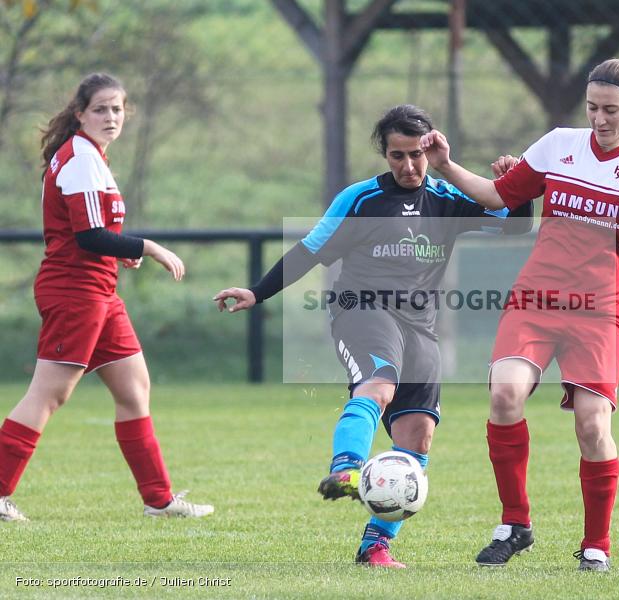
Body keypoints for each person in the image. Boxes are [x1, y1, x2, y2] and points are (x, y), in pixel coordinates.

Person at [214, 104, 531, 568]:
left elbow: (517, 225)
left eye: (416, 155)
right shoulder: (360, 200)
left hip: (420, 326)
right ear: (384, 154)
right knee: (379, 384)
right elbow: (309, 251)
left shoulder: (447, 199)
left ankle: (375, 547)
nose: (407, 166)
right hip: (361, 311)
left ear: (432, 149)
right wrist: (257, 292)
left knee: (418, 436)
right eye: (397, 155)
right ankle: (345, 469)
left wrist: (517, 186)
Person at [421, 58, 619, 572]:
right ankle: (515, 523)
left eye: (611, 109)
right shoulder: (559, 145)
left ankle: (596, 547)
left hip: (600, 309)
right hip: (537, 298)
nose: (600, 118)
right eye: (592, 107)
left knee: (591, 425)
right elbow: (498, 195)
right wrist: (447, 166)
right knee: (504, 393)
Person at [0, 73, 213, 522]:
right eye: (101, 109)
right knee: (48, 395)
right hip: (74, 292)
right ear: (80, 113)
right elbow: (90, 235)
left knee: (134, 390)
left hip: (98, 291)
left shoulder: (90, 156)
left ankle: (159, 500)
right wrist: (148, 248)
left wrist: (122, 256)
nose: (111, 117)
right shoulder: (78, 156)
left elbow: (97, 236)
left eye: (117, 108)